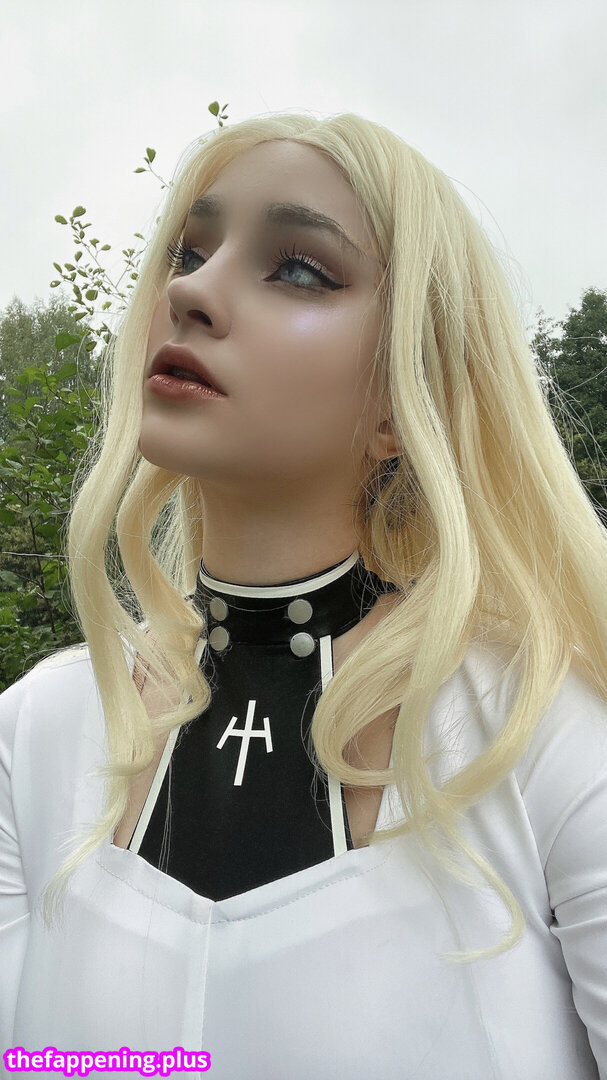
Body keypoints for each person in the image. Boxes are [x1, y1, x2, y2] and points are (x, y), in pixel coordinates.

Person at [1, 111, 606, 1080]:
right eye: (189, 252)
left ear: (399, 401)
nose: (190, 291)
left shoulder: (542, 734)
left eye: (297, 269)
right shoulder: (38, 730)